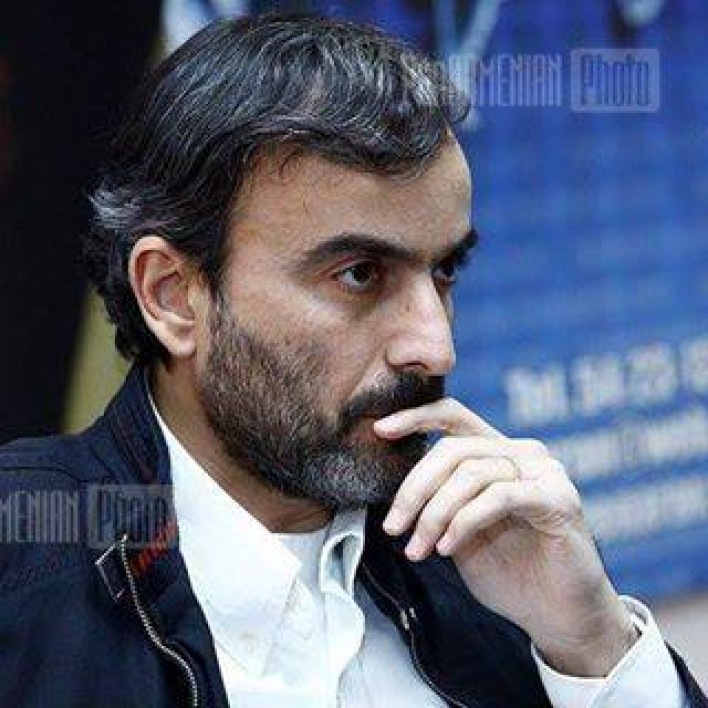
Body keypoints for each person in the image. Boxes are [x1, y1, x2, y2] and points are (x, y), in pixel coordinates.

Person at [1, 13, 705, 708]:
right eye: (360, 275)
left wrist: (593, 646)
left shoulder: (490, 565)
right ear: (173, 295)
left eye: (444, 272)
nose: (434, 346)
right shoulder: (24, 568)